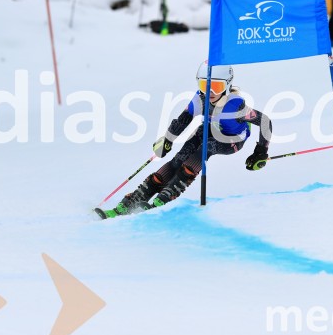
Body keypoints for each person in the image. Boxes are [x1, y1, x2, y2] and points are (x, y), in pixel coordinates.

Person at [103, 62, 273, 218]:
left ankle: (164, 198)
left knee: (206, 148)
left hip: (232, 139)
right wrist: (168, 140)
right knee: (179, 158)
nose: (209, 92)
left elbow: (265, 121)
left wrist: (260, 152)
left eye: (216, 86)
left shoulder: (236, 106)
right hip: (209, 129)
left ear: (227, 85)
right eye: (204, 85)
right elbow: (184, 119)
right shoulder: (200, 98)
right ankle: (132, 200)